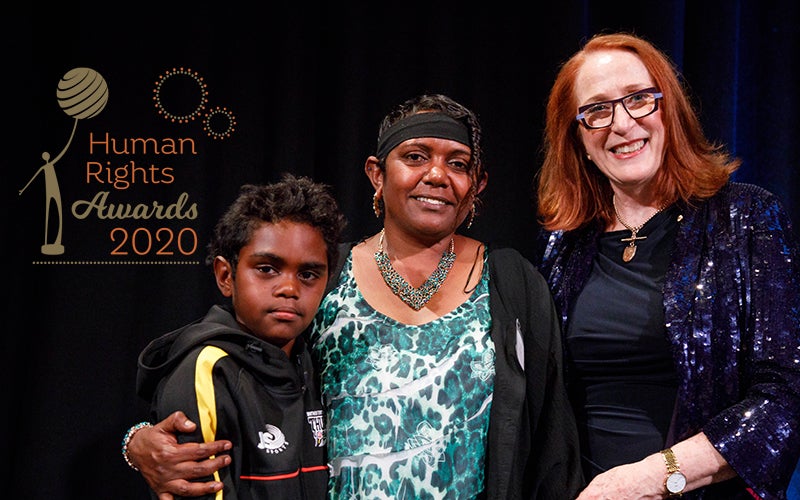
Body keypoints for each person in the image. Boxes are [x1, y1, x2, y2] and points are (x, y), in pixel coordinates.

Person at [123, 93, 584, 499]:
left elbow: (551, 441)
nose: (438, 175)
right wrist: (138, 440)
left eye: (458, 164)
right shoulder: (323, 274)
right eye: (416, 156)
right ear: (377, 174)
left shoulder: (512, 284)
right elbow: (236, 367)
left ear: (477, 186)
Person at [534, 32, 800, 499]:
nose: (621, 123)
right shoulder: (564, 245)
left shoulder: (747, 219)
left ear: (668, 108)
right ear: (577, 137)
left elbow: (784, 397)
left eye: (638, 99)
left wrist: (651, 479)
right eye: (597, 110)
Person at [126, 174, 347, 499]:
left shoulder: (317, 360)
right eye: (267, 269)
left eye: (308, 274)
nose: (289, 288)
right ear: (226, 276)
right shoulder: (209, 370)